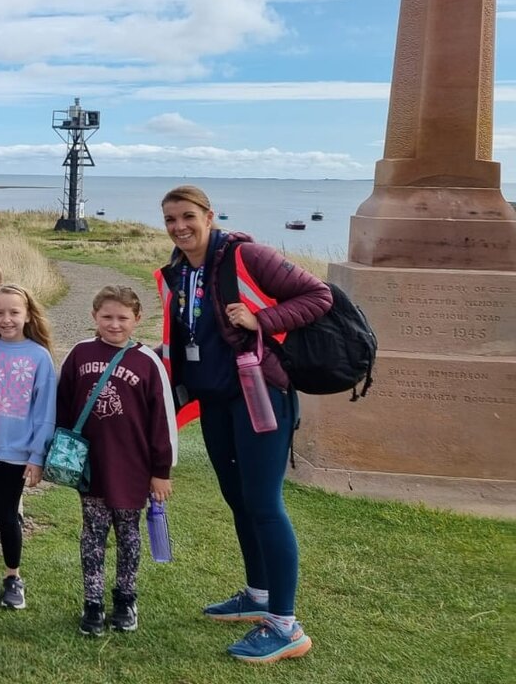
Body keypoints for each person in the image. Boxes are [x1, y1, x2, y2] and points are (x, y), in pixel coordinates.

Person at [155, 184, 331, 663]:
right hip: (215, 400)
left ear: (209, 215)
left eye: (188, 216)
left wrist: (262, 317)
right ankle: (257, 596)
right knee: (237, 498)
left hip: (260, 396)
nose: (179, 227)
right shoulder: (178, 270)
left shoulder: (246, 254)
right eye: (170, 219)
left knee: (264, 503)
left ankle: (286, 625)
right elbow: (188, 331)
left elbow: (319, 296)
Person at [56, 285, 176, 636]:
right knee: (92, 534)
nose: (114, 324)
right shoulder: (79, 354)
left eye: (123, 318)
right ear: (94, 316)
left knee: (128, 535)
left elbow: (162, 422)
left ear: (137, 319)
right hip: (92, 466)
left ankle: (125, 598)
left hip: (133, 469)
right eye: (107, 317)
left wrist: (161, 471)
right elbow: (63, 403)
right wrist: (60, 447)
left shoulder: (147, 362)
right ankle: (92, 603)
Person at [0, 284, 57, 612]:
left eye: (14, 312)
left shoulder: (38, 356)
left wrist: (37, 456)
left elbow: (45, 412)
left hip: (17, 452)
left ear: (28, 314)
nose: (6, 319)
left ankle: (13, 578)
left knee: (7, 514)